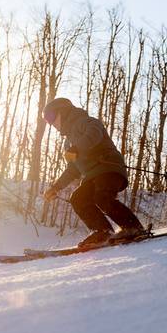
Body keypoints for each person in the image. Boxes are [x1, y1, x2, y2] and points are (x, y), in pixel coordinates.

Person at [42, 97, 147, 248]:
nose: (50, 123)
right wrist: (56, 187)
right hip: (92, 175)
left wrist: (77, 147)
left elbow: (94, 135)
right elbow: (73, 168)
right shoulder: (68, 142)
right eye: (47, 120)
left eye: (51, 117)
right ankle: (102, 231)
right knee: (78, 198)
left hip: (109, 169)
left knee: (102, 197)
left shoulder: (85, 121)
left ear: (62, 112)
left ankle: (134, 227)